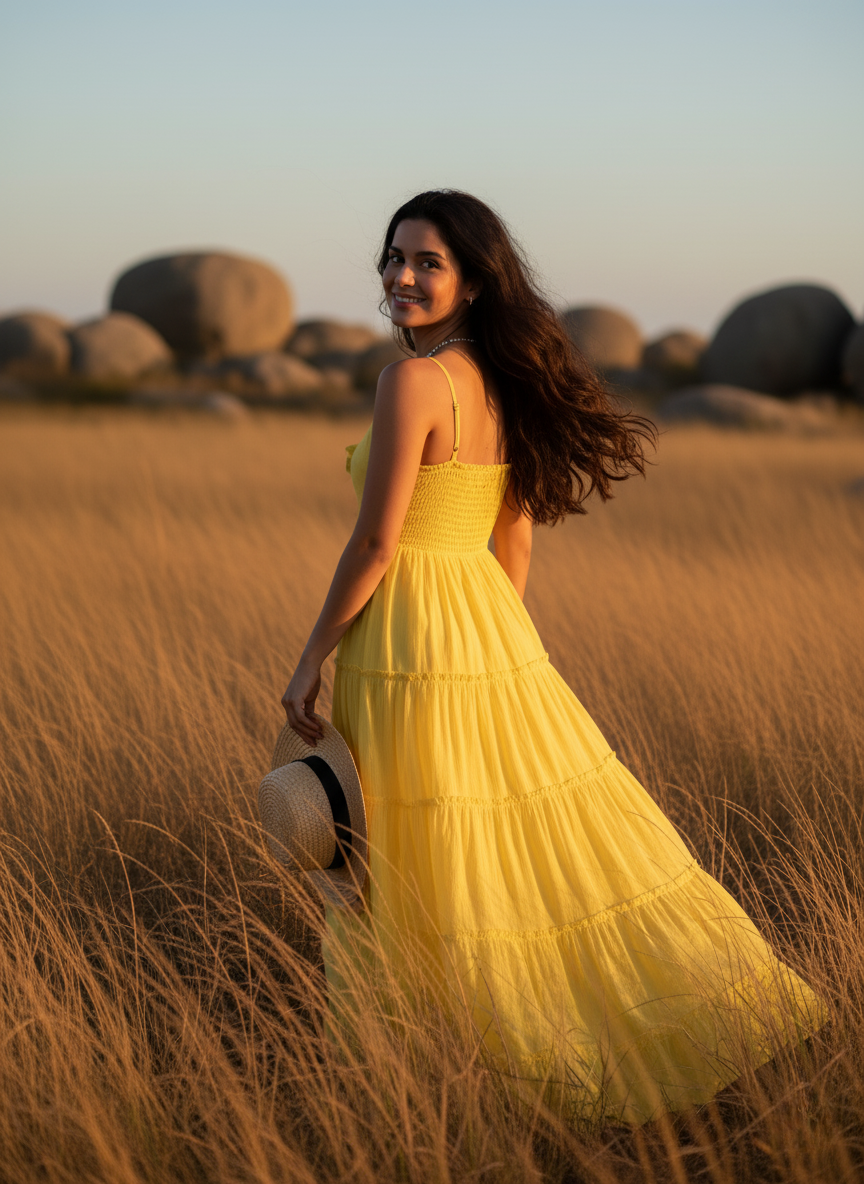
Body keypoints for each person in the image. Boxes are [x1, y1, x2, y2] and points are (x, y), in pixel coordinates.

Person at [280, 189, 824, 1127]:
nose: (402, 277)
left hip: (404, 634)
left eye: (428, 263)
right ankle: (539, 1052)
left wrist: (306, 663)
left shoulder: (409, 383)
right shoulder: (501, 383)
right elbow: (515, 539)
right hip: (485, 626)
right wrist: (497, 655)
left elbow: (375, 545)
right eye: (394, 258)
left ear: (475, 281)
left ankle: (442, 1073)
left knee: (405, 855)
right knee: (492, 848)